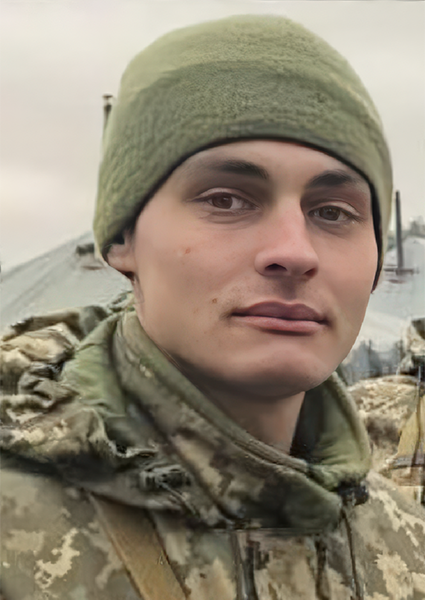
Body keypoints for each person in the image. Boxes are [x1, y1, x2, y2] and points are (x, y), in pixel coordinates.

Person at [1, 14, 425, 600]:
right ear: (122, 238)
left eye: (333, 212)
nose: (294, 252)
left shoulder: (406, 547)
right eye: (225, 200)